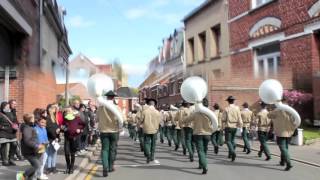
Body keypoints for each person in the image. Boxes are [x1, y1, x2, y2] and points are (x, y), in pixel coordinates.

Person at [97, 90, 122, 177]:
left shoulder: (100, 108)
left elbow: (97, 119)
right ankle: (111, 167)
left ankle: (105, 168)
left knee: (104, 149)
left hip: (103, 131)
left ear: (106, 97)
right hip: (114, 131)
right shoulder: (117, 108)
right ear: (113, 98)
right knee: (112, 149)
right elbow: (122, 120)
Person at [184, 98, 213, 175]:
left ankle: (204, 166)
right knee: (205, 150)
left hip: (198, 134)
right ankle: (201, 164)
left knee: (200, 150)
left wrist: (181, 121)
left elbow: (186, 120)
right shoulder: (210, 113)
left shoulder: (196, 113)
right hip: (207, 134)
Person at [268, 99, 296, 171]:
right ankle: (282, 161)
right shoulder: (291, 110)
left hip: (281, 132)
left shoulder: (278, 110)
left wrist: (271, 108)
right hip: (289, 132)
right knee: (285, 148)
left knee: (283, 148)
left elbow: (269, 115)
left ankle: (289, 163)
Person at [16, 113, 45, 180]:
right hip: (29, 151)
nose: (34, 119)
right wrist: (36, 145)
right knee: (37, 165)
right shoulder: (27, 128)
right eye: (33, 118)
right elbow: (27, 141)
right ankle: (22, 176)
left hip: (34, 150)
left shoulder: (30, 126)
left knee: (36, 165)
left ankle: (30, 178)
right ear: (30, 120)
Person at [62, 107, 85, 174]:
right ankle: (68, 167)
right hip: (67, 137)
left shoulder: (77, 118)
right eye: (66, 111)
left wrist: (79, 129)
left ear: (72, 111)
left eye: (69, 110)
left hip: (74, 138)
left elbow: (83, 125)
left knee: (72, 153)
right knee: (66, 153)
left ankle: (71, 168)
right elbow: (63, 126)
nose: (67, 112)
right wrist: (62, 128)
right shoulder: (65, 119)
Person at [222, 96, 243, 162]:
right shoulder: (237, 108)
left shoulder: (226, 109)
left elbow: (223, 119)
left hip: (228, 126)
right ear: (233, 101)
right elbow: (239, 117)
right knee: (233, 140)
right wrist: (240, 125)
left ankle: (233, 152)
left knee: (228, 141)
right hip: (235, 126)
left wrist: (222, 127)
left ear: (228, 101)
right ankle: (230, 153)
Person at [141, 98, 161, 163]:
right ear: (154, 104)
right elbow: (160, 121)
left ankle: (148, 154)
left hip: (146, 129)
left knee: (146, 142)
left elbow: (141, 120)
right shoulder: (157, 112)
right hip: (155, 129)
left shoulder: (144, 111)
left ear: (148, 104)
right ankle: (152, 156)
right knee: (153, 143)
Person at [0, 101, 18, 166]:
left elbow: (15, 121)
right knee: (4, 145)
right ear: (2, 107)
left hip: (11, 132)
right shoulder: (1, 114)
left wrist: (16, 125)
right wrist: (2, 127)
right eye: (6, 106)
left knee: (14, 144)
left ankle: (11, 159)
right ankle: (4, 160)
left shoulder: (11, 113)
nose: (7, 107)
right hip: (3, 132)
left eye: (8, 106)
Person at [46, 104, 60, 174]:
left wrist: (59, 129)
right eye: (54, 109)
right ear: (50, 109)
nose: (55, 110)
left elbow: (56, 127)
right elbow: (49, 129)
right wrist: (55, 137)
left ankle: (53, 167)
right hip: (51, 138)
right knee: (50, 154)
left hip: (55, 138)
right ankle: (49, 168)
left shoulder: (54, 117)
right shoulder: (48, 118)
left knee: (54, 153)